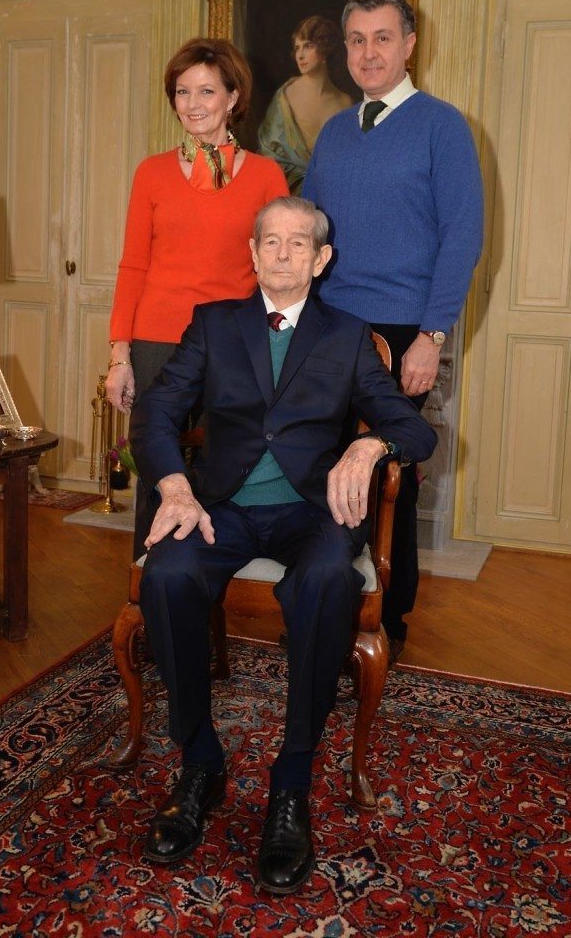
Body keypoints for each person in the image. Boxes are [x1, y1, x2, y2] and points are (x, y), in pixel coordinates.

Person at [130, 197, 437, 893]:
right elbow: (157, 409)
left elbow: (413, 430)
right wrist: (174, 485)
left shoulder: (348, 334)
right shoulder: (214, 324)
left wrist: (368, 444)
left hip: (310, 511)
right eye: (271, 241)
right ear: (253, 251)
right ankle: (200, 762)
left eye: (299, 244)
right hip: (222, 507)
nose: (283, 253)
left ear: (322, 259)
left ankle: (291, 780)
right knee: (167, 576)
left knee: (328, 578)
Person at [303, 0, 484, 663]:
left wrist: (430, 338)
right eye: (356, 40)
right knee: (321, 462)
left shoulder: (443, 126)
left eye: (382, 38)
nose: (368, 52)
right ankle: (325, 594)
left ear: (410, 44)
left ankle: (388, 614)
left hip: (404, 326)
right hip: (331, 325)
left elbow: (463, 234)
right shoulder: (333, 133)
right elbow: (313, 229)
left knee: (387, 475)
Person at [107, 37, 289, 557]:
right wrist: (120, 355)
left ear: (233, 97)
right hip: (157, 342)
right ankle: (151, 589)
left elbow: (277, 268)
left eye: (206, 90)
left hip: (233, 342)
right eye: (182, 92)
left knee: (226, 471)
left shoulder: (267, 176)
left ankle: (212, 579)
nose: (193, 104)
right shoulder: (151, 172)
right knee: (156, 471)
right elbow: (133, 264)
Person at [258, 16, 352, 194]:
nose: (300, 56)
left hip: (331, 196)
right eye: (297, 48)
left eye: (308, 46)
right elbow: (269, 154)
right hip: (286, 196)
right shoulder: (285, 96)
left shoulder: (344, 102)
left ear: (324, 49)